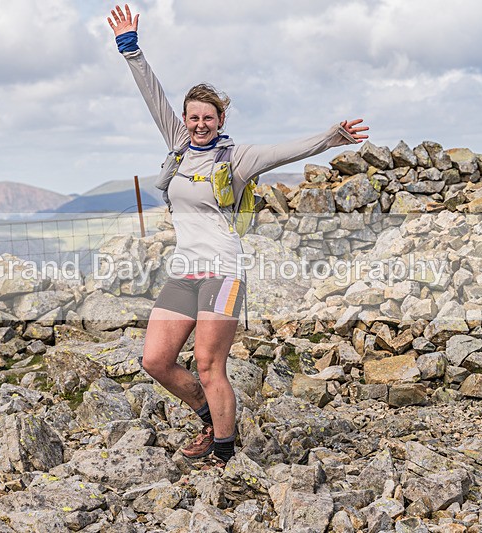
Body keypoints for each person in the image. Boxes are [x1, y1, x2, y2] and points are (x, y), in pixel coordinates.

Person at [107, 4, 369, 466]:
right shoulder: (178, 147)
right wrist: (130, 49)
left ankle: (224, 453)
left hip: (224, 272)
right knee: (155, 360)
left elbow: (282, 152)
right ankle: (211, 418)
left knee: (209, 364)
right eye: (193, 118)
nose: (200, 124)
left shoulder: (237, 158)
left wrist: (331, 137)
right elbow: (154, 97)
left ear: (220, 120)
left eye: (208, 118)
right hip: (185, 271)